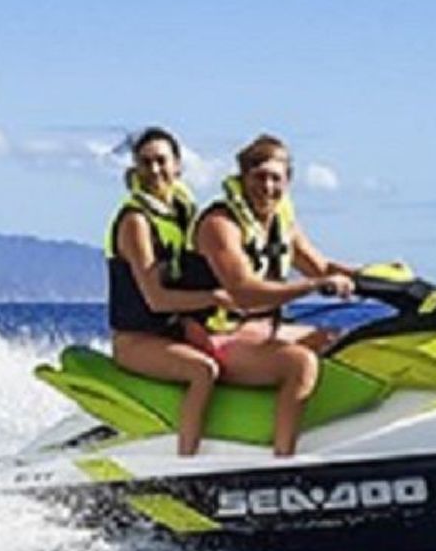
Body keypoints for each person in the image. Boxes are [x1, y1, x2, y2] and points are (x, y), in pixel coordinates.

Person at [189, 133, 358, 457]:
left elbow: (320, 265)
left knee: (343, 342)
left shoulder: (282, 221)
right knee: (300, 364)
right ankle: (282, 461)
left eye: (275, 179)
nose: (267, 187)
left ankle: (329, 440)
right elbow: (244, 291)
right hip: (216, 338)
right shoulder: (220, 224)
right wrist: (312, 287)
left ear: (288, 182)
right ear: (243, 178)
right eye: (259, 177)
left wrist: (375, 273)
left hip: (261, 331)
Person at [105, 126, 237, 456]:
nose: (154, 170)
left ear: (178, 165)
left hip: (174, 330)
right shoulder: (136, 221)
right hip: (137, 340)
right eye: (145, 162)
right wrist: (214, 298)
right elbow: (157, 299)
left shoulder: (182, 209)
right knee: (202, 371)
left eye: (161, 161)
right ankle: (187, 463)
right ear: (135, 167)